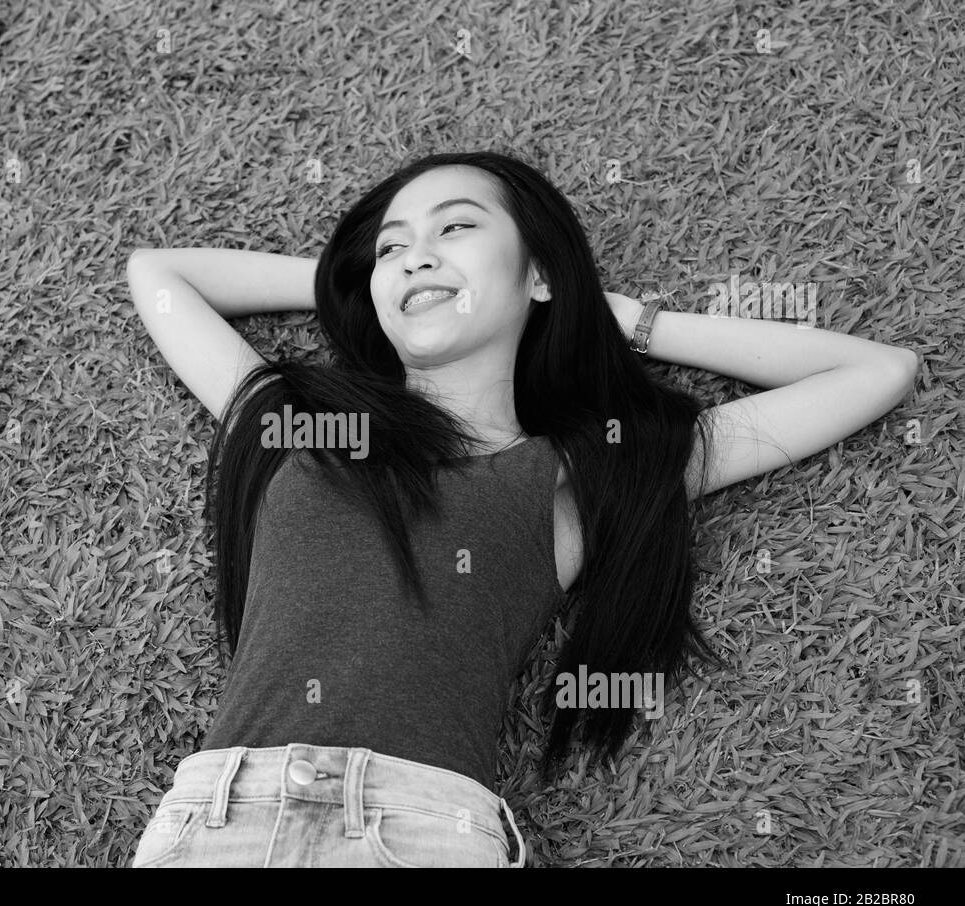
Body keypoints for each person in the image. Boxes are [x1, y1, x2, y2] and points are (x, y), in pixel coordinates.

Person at [123, 149, 919, 867]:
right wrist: (362, 281)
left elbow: (877, 371)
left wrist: (636, 323)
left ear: (540, 274)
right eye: (391, 245)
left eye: (456, 227)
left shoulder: (579, 474)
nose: (414, 254)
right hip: (215, 820)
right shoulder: (304, 425)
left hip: (420, 831)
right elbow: (159, 277)